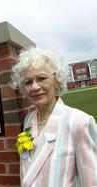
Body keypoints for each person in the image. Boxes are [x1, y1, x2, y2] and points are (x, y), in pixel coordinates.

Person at [11, 47, 97, 187]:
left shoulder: (79, 122)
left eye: (42, 78)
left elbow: (92, 181)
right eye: (28, 82)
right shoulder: (28, 121)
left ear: (57, 80)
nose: (34, 87)